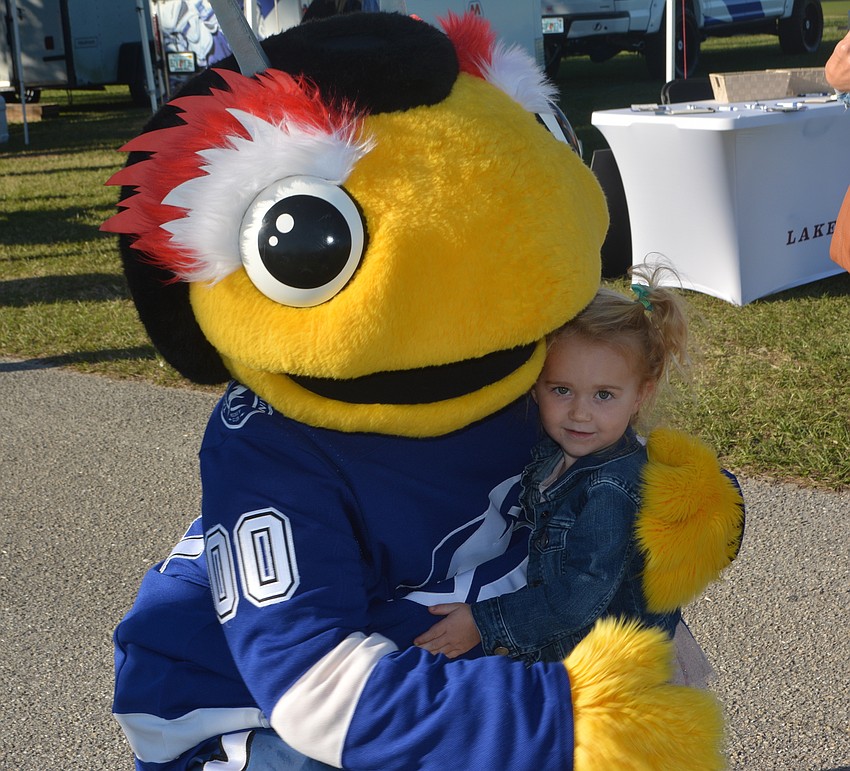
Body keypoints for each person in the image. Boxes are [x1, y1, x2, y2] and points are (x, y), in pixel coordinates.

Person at [414, 270, 699, 665]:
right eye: (562, 390)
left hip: (607, 669)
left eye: (604, 395)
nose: (580, 413)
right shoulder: (554, 453)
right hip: (568, 648)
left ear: (641, 395)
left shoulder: (611, 491)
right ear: (535, 385)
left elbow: (578, 595)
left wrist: (485, 622)